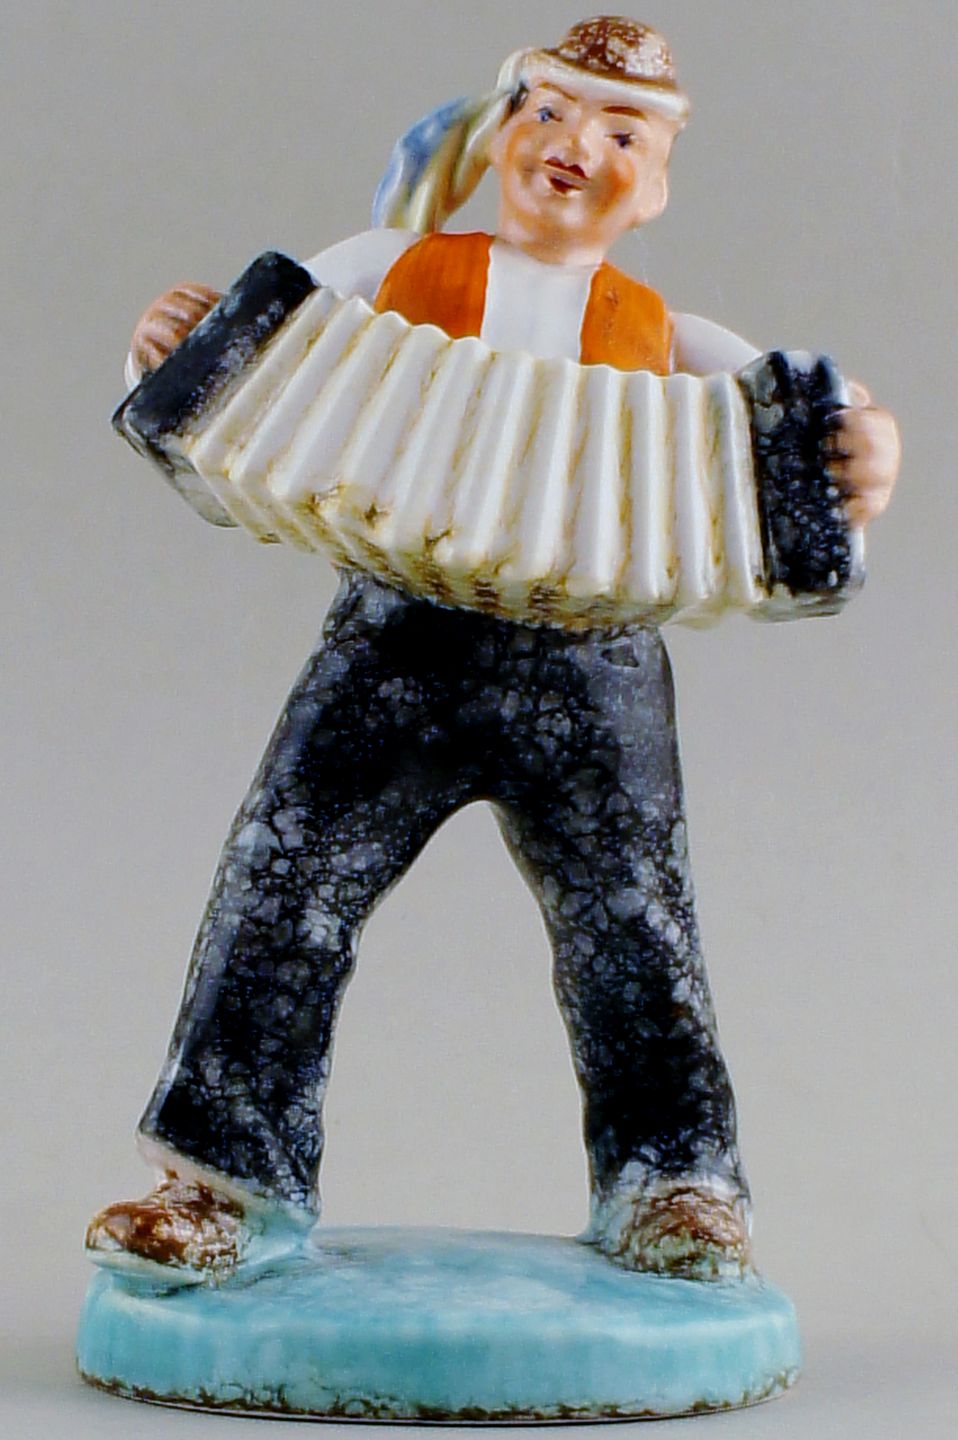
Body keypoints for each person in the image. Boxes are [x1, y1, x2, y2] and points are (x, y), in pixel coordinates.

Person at [87, 17, 900, 1287]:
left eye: (622, 135)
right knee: (282, 889)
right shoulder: (389, 265)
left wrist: (866, 457)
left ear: (657, 187)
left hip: (594, 665)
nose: (576, 148)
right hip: (396, 637)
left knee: (634, 929)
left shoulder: (668, 334)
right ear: (496, 135)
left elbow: (821, 434)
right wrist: (162, 342)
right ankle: (223, 1188)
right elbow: (230, 357)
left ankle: (674, 1186)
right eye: (549, 114)